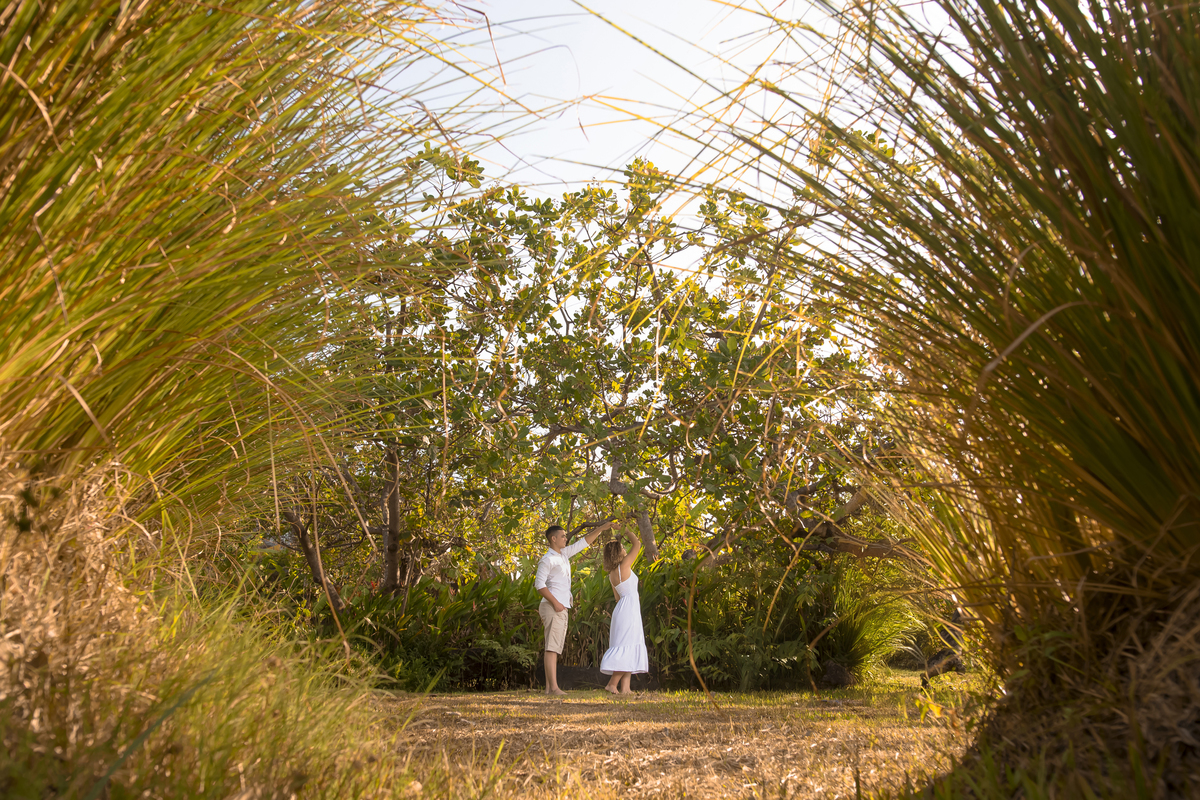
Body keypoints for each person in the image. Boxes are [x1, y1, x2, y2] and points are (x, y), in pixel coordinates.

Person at [534, 520, 614, 696]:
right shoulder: (548, 559)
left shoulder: (563, 554)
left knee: (554, 647)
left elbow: (584, 543)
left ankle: (549, 688)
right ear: (553, 539)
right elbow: (539, 585)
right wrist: (556, 603)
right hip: (553, 607)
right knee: (552, 648)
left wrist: (601, 528)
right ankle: (554, 688)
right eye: (563, 536)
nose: (566, 538)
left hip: (561, 607)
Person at [599, 524, 648, 695]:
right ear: (618, 552)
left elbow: (617, 598)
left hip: (622, 609)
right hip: (629, 611)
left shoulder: (612, 574)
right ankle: (612, 684)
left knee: (628, 645)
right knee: (627, 645)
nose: (625, 550)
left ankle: (625, 688)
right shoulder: (624, 566)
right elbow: (637, 544)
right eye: (622, 548)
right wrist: (625, 529)